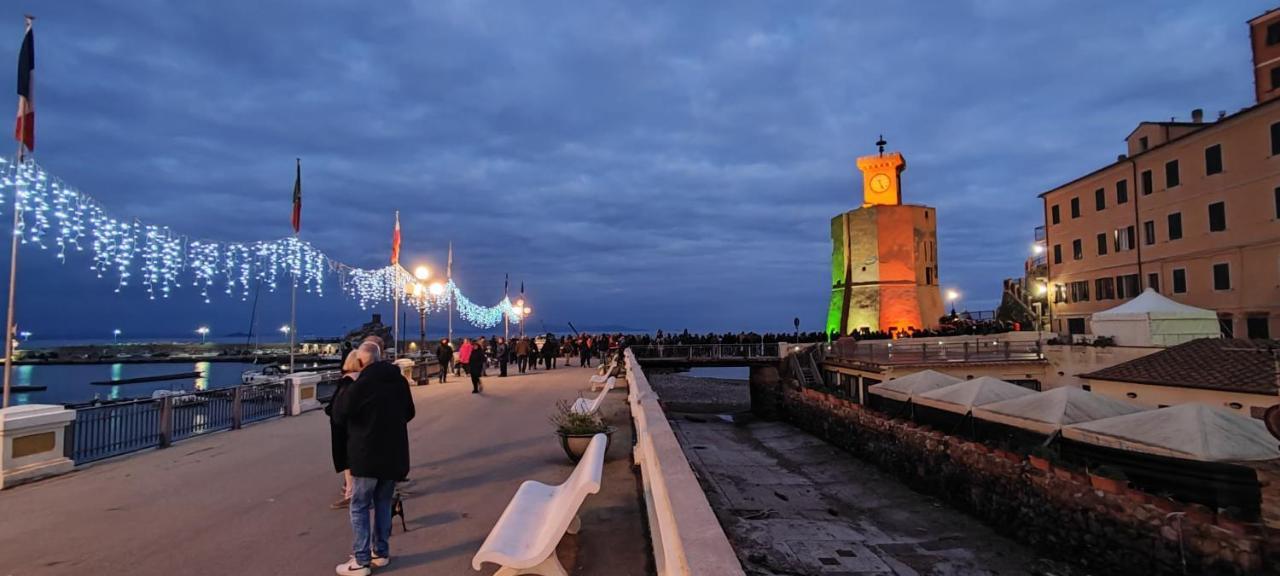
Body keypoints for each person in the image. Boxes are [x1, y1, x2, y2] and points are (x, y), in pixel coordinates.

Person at [332, 342, 414, 576]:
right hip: (393, 453)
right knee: (382, 503)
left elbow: (339, 414)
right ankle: (381, 553)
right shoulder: (398, 380)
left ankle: (361, 560)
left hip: (366, 454)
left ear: (361, 361)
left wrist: (347, 384)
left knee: (359, 506)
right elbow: (409, 412)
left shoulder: (362, 383)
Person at [326, 348, 371, 510]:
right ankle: (354, 492)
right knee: (355, 460)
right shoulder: (364, 381)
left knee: (348, 461)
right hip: (360, 429)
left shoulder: (347, 382)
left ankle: (351, 494)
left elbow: (337, 407)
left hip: (345, 429)